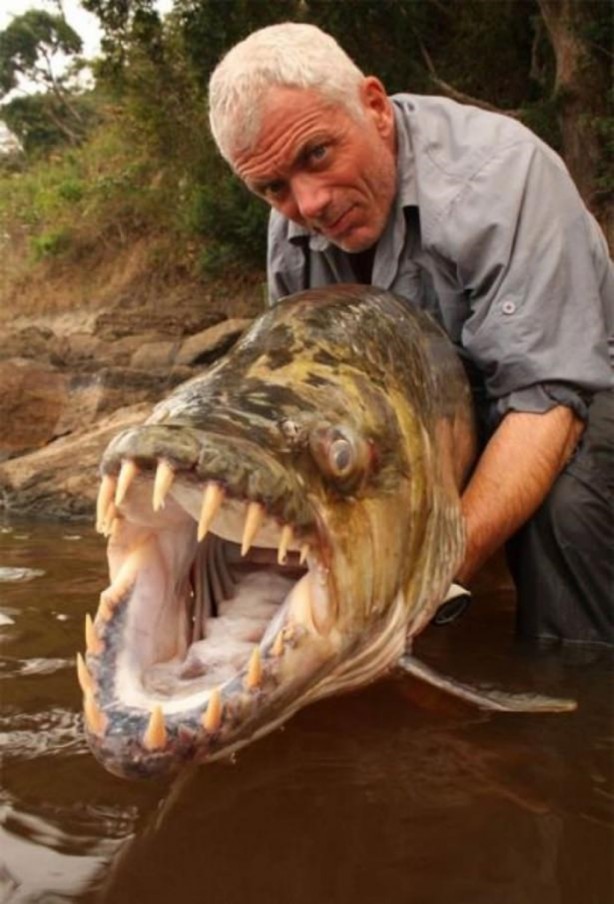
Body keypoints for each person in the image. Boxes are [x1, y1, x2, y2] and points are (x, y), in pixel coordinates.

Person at [208, 22, 614, 645]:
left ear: (374, 107)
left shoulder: (503, 175)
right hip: (439, 407)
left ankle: (577, 703)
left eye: (317, 154)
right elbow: (308, 400)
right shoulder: (289, 232)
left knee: (565, 514)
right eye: (273, 187)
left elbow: (546, 404)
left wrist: (420, 586)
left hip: (573, 383)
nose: (308, 204)